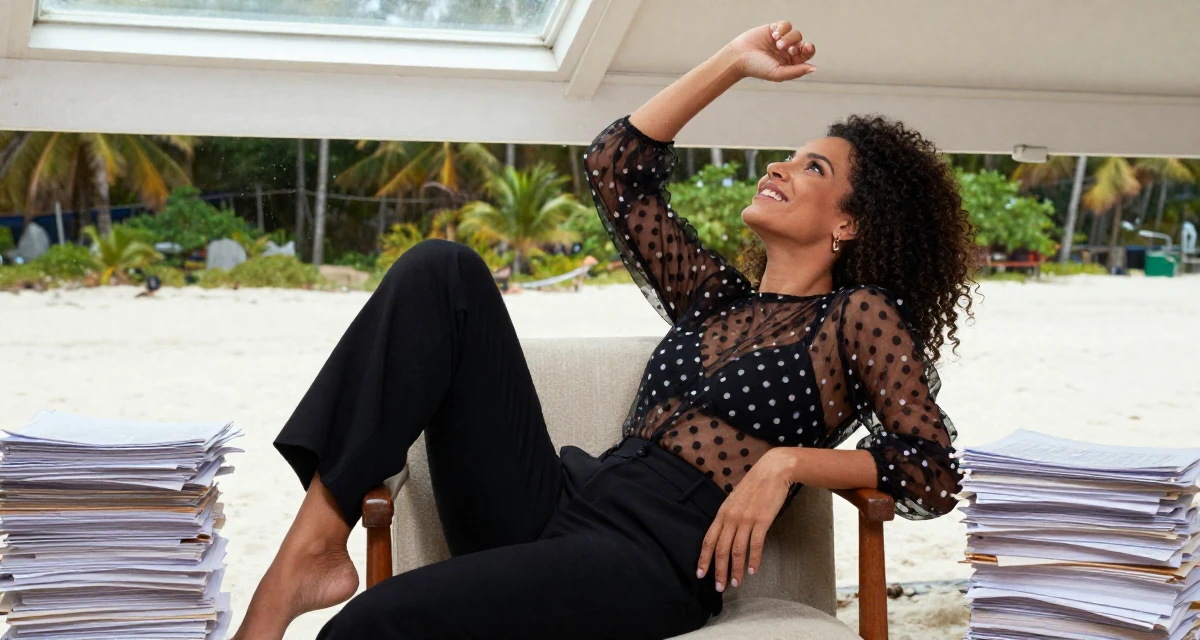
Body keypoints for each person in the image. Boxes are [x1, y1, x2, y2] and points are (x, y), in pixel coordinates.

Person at [232, 18, 975, 640]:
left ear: (848, 223)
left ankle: (295, 592)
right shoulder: (717, 299)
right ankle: (316, 541)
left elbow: (930, 468)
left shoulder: (858, 316)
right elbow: (617, 165)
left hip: (647, 555)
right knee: (442, 270)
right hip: (559, 496)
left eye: (812, 168)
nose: (778, 167)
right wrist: (733, 62)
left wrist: (787, 464)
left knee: (372, 626)